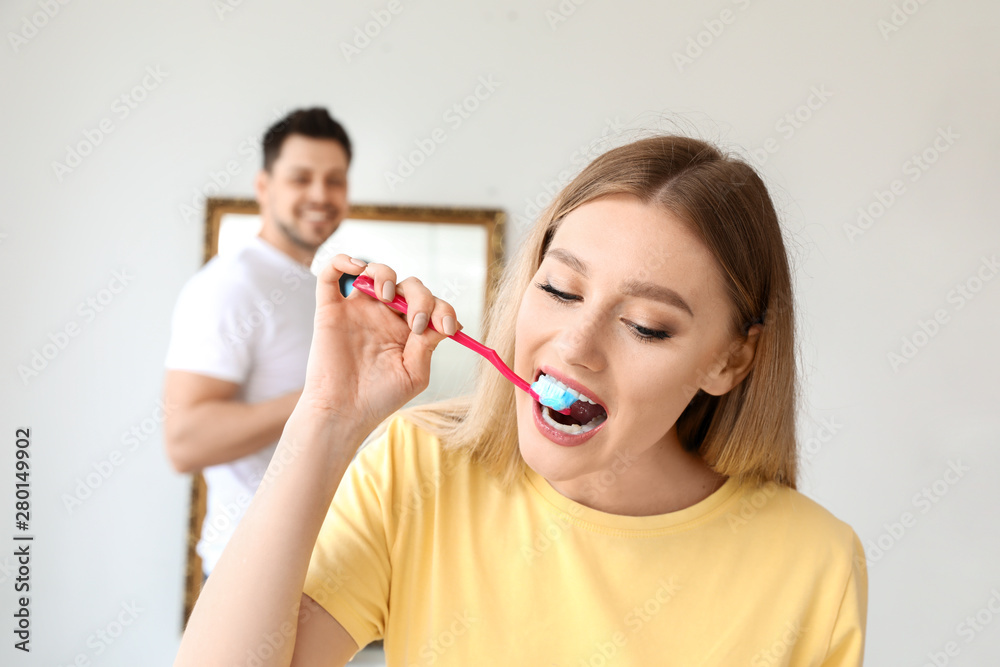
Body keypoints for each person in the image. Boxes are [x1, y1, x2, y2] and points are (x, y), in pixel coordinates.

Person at [174, 135, 867, 666]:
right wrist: (326, 416)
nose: (575, 345)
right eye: (561, 289)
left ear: (730, 358)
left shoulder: (814, 561)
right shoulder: (420, 470)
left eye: (646, 326)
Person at [162, 107, 352, 583]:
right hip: (247, 569)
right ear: (264, 187)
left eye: (334, 180)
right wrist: (326, 396)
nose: (319, 195)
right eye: (300, 178)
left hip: (318, 565)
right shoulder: (231, 285)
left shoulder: (313, 287)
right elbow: (184, 439)